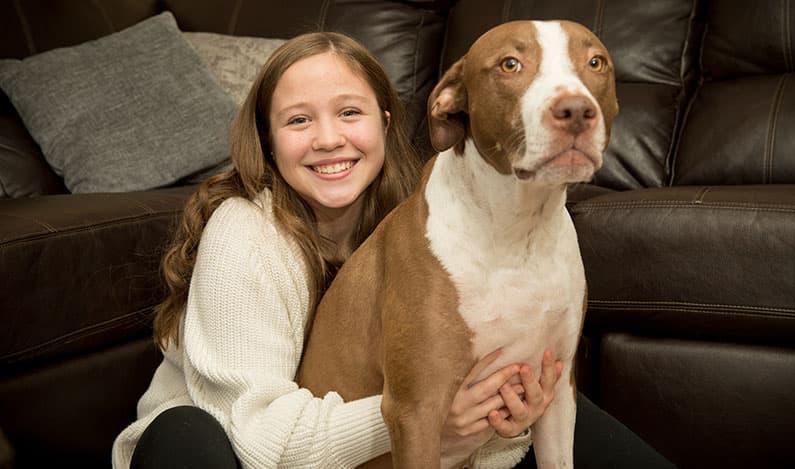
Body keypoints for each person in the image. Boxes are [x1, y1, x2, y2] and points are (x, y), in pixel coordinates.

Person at [111, 31, 560, 469]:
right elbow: (258, 441)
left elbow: (455, 415)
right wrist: (421, 415)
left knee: (568, 416)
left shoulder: (421, 222)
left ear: (385, 122)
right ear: (268, 140)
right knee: (184, 431)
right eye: (298, 120)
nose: (328, 139)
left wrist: (504, 416)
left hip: (371, 456)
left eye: (349, 112)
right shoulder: (243, 235)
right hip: (230, 448)